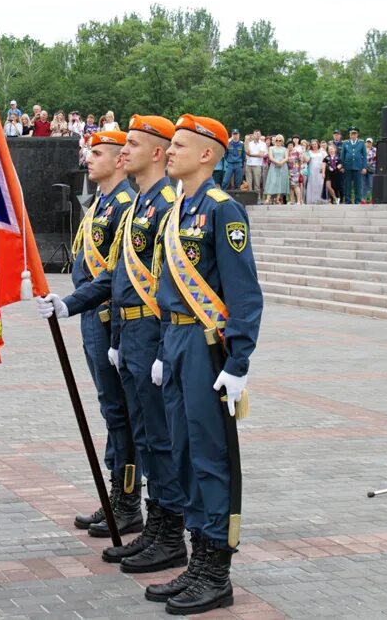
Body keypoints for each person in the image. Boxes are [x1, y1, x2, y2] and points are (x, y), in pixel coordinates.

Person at [38, 116, 187, 573]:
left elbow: (166, 280)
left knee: (151, 433)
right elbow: (112, 275)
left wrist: (158, 345)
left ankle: (154, 521)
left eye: (126, 147)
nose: (115, 155)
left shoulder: (157, 204)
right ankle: (146, 518)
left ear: (156, 152)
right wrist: (71, 304)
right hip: (121, 326)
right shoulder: (136, 203)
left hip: (141, 329)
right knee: (133, 423)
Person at [145, 113, 262, 615]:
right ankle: (197, 559)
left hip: (205, 347)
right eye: (169, 145)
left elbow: (244, 293)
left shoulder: (222, 210)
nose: (169, 152)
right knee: (183, 454)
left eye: (180, 145)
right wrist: (160, 351)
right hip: (174, 342)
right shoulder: (176, 212)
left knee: (210, 458)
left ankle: (217, 569)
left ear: (208, 155)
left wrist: (238, 361)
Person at [36, 130, 138, 539]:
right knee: (111, 409)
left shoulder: (126, 206)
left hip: (109, 319)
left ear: (119, 160)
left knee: (122, 413)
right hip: (91, 315)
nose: (88, 158)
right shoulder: (102, 202)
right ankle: (120, 495)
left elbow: (119, 274)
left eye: (98, 153)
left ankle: (127, 500)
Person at [339, 127, 367, 204]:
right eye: (352, 134)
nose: (353, 135)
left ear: (357, 134)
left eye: (354, 134)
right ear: (349, 135)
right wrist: (342, 166)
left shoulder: (361, 143)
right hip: (347, 167)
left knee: (358, 185)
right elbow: (342, 156)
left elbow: (364, 156)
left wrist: (364, 167)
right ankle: (348, 200)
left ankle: (357, 200)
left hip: (358, 167)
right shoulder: (345, 143)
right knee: (347, 185)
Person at [264, 134, 289, 204]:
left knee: (280, 182)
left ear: (282, 141)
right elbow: (271, 157)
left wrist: (281, 163)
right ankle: (268, 198)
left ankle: (277, 199)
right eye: (277, 140)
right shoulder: (271, 148)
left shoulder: (285, 149)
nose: (278, 141)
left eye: (280, 140)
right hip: (274, 166)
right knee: (272, 181)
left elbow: (286, 158)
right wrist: (277, 162)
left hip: (283, 166)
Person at [245, 131, 267, 199]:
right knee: (249, 183)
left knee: (257, 183)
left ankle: (258, 198)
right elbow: (247, 152)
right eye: (255, 134)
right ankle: (250, 198)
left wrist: (250, 155)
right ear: (253, 135)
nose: (257, 135)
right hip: (248, 164)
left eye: (258, 134)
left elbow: (261, 155)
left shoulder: (263, 144)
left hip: (257, 165)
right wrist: (246, 142)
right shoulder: (250, 143)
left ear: (260, 135)